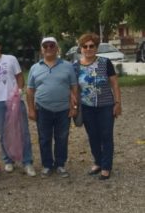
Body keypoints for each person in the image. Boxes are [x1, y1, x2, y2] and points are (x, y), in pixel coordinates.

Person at [0, 36, 36, 176]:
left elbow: (19, 77)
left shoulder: (11, 59)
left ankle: (27, 161)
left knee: (23, 131)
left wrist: (19, 90)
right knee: (3, 132)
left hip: (14, 100)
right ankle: (8, 160)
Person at [26, 37, 77, 178]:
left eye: (51, 45)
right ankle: (47, 165)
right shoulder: (34, 68)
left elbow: (74, 87)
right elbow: (30, 90)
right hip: (42, 109)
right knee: (44, 138)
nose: (48, 48)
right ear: (42, 49)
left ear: (57, 48)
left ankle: (60, 165)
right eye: (45, 46)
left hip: (63, 109)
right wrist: (30, 109)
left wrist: (74, 106)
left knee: (62, 137)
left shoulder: (68, 66)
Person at [73, 33, 122, 180]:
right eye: (85, 46)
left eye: (91, 46)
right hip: (87, 107)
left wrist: (118, 103)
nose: (88, 49)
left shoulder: (105, 62)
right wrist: (74, 105)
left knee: (106, 135)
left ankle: (106, 166)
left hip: (106, 105)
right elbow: (73, 88)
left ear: (96, 47)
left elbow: (114, 84)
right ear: (81, 48)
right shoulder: (75, 67)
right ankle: (98, 162)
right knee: (93, 136)